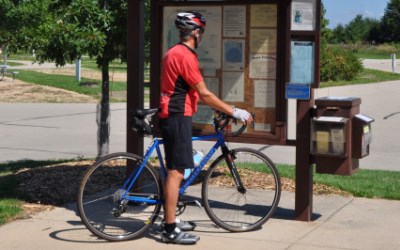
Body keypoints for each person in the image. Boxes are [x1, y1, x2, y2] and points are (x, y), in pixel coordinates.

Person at [158, 11, 253, 245]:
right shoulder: (185, 56)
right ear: (196, 33)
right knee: (176, 172)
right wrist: (233, 111)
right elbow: (204, 93)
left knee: (174, 170)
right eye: (201, 33)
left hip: (173, 114)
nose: (201, 37)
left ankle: (170, 219)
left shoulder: (172, 52)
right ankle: (169, 229)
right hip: (178, 115)